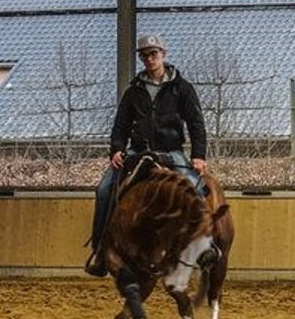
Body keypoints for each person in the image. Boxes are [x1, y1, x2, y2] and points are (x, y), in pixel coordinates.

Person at [85, 33, 210, 277]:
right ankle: (100, 250)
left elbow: (196, 123)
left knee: (196, 188)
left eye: (153, 54)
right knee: (103, 190)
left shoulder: (182, 89)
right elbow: (120, 125)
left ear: (163, 54)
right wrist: (117, 149)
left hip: (171, 151)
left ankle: (205, 246)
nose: (149, 59)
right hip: (137, 152)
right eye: (144, 56)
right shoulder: (134, 92)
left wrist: (198, 155)